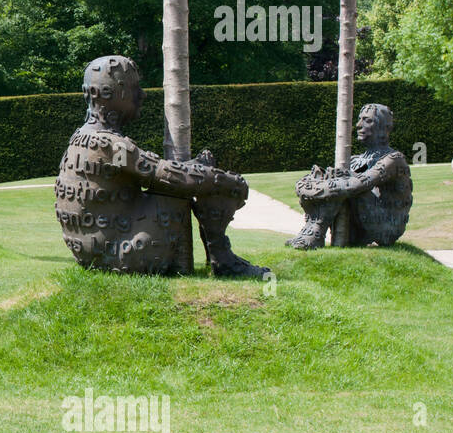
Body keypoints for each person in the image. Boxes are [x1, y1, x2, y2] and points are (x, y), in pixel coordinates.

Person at [54, 55, 266, 277]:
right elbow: (169, 176)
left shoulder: (82, 136)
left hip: (94, 254)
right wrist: (226, 181)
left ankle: (221, 260)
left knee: (189, 179)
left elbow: (152, 170)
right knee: (180, 189)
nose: (142, 94)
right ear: (110, 94)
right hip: (118, 254)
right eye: (135, 88)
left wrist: (198, 168)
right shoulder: (110, 146)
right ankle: (224, 262)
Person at [288, 104, 412, 249]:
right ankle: (311, 231)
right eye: (360, 120)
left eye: (368, 121)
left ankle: (314, 233)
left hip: (385, 228)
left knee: (349, 187)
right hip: (360, 224)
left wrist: (313, 187)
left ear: (384, 128)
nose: (359, 125)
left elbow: (358, 184)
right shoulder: (354, 159)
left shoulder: (394, 159)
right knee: (330, 177)